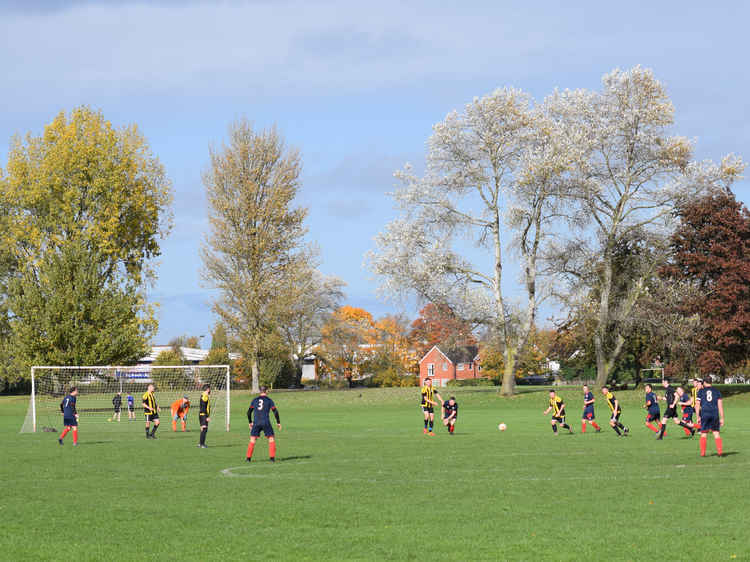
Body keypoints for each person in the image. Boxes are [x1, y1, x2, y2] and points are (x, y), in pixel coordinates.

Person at [246, 386, 281, 463]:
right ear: (266, 391)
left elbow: (248, 412)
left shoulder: (254, 400)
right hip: (266, 422)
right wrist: (278, 422)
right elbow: (275, 411)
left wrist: (250, 422)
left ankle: (248, 458)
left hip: (256, 422)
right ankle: (272, 458)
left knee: (252, 440)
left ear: (260, 391)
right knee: (271, 439)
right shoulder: (269, 400)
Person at [696, 378, 725, 457]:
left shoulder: (701, 391)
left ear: (704, 382)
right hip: (714, 414)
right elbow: (720, 405)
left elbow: (697, 404)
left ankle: (703, 453)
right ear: (711, 382)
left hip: (705, 414)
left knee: (704, 433)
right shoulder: (717, 391)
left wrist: (698, 416)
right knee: (716, 433)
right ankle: (719, 453)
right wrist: (722, 418)